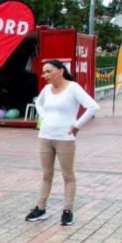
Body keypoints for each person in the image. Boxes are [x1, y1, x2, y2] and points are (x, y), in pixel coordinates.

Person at [25, 59, 99, 226]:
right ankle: (41, 208)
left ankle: (68, 210)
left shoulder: (73, 88)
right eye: (44, 72)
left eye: (48, 71)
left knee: (68, 175)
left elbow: (93, 106)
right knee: (46, 174)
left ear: (60, 71)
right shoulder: (46, 89)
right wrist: (43, 116)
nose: (45, 75)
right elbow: (38, 102)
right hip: (45, 137)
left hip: (65, 139)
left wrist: (77, 126)